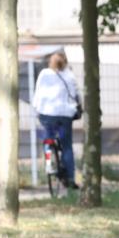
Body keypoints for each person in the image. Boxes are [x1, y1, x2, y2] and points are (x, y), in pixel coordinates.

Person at [32, 51, 80, 189]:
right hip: (65, 115)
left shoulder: (44, 74)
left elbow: (37, 94)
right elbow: (76, 95)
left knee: (48, 137)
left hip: (47, 114)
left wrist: (37, 109)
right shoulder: (69, 75)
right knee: (66, 146)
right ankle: (70, 179)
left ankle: (48, 162)